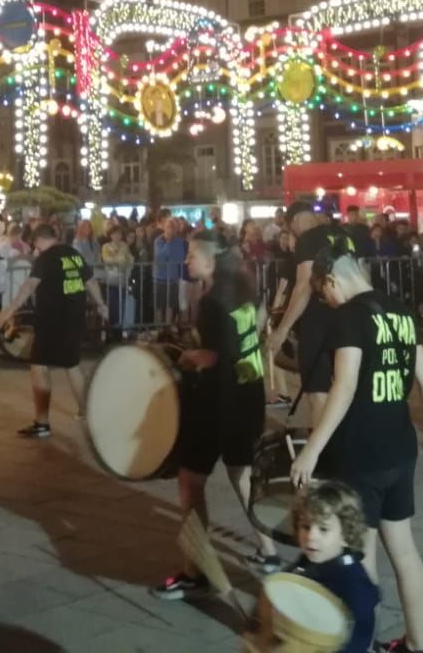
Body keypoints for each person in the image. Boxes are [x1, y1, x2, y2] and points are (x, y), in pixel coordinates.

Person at [289, 242, 423, 653]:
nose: (326, 299)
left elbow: (343, 387)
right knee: (405, 550)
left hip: (360, 450)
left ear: (331, 280)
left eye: (322, 291)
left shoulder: (349, 317)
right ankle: (417, 645)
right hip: (400, 445)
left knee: (363, 553)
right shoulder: (401, 311)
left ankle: (365, 643)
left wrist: (312, 449)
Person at [150, 235, 280, 600]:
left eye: (192, 255)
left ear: (209, 261)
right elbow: (252, 332)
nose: (187, 260)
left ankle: (194, 572)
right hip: (248, 393)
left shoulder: (211, 300)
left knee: (190, 483)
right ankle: (269, 552)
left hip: (217, 402)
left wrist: (188, 356)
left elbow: (215, 355)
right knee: (241, 474)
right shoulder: (244, 288)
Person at [0, 223, 108, 438]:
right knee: (72, 364)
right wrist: (101, 304)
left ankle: (42, 422)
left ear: (39, 240)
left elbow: (29, 285)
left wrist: (10, 310)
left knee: (39, 365)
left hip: (52, 319)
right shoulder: (73, 254)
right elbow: (91, 281)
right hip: (75, 316)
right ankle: (88, 413)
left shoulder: (45, 258)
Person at [273, 481, 379, 653]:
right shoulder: (307, 561)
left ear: (346, 535)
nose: (311, 536)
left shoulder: (352, 579)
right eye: (306, 526)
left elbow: (361, 632)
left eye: (323, 529)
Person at [267, 202, 339, 425]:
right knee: (344, 385)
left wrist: (282, 330)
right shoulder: (342, 235)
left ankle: (324, 443)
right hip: (347, 318)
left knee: (318, 391)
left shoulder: (308, 239)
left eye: (290, 229)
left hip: (318, 321)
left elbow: (303, 285)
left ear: (295, 221)